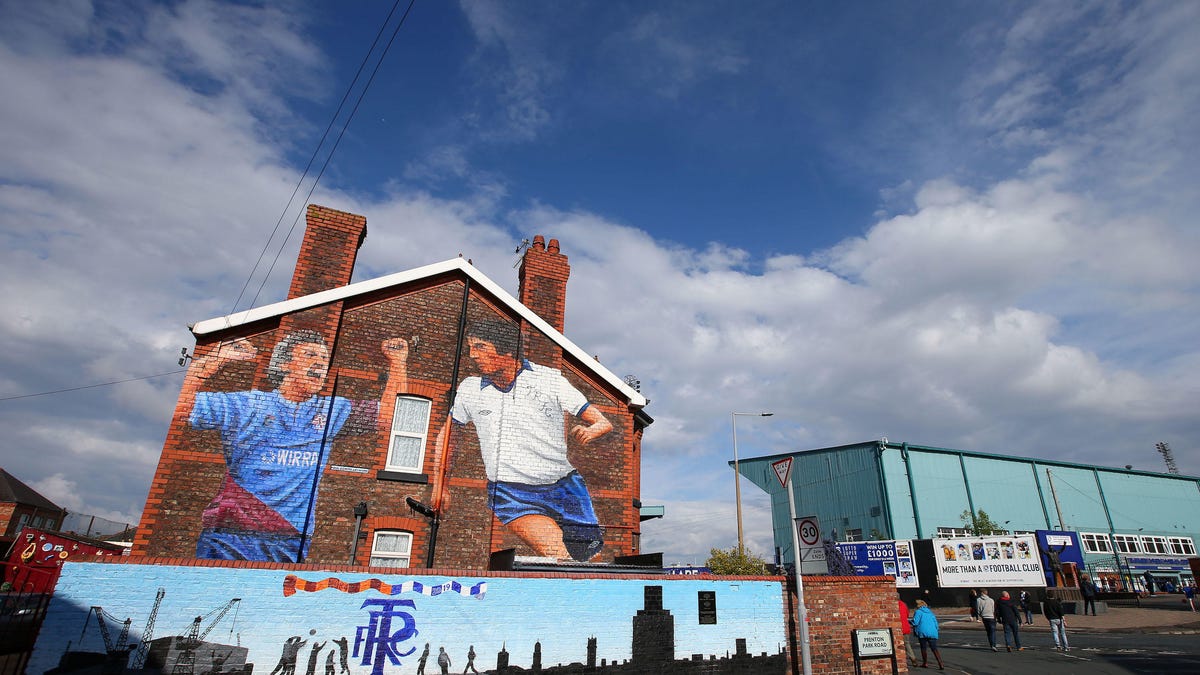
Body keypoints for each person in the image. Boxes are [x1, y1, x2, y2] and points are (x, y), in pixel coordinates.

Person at [184, 332, 410, 562]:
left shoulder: (332, 410)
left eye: (324, 359)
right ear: (284, 364)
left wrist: (398, 363)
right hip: (229, 536)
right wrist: (220, 357)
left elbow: (390, 416)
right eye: (310, 355)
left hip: (291, 539)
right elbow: (184, 407)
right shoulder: (248, 404)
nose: (320, 363)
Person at [447, 319, 614, 561]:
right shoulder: (469, 389)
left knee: (589, 563)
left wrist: (593, 430)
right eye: (470, 347)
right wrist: (441, 485)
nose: (473, 355)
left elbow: (602, 422)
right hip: (512, 494)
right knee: (561, 558)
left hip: (566, 489)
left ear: (507, 349)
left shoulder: (550, 379)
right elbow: (449, 435)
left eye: (480, 347)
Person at [909, 599, 945, 670]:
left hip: (922, 631)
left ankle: (925, 663)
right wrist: (936, 629)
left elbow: (915, 622)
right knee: (934, 648)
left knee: (923, 648)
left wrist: (908, 621)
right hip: (932, 632)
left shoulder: (918, 612)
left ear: (918, 605)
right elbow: (935, 623)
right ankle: (941, 664)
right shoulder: (930, 612)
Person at [898, 599, 919, 667]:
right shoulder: (904, 604)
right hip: (906, 627)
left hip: (899, 627)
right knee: (907, 643)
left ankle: (901, 660)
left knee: (897, 645)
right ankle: (913, 658)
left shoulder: (893, 605)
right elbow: (907, 614)